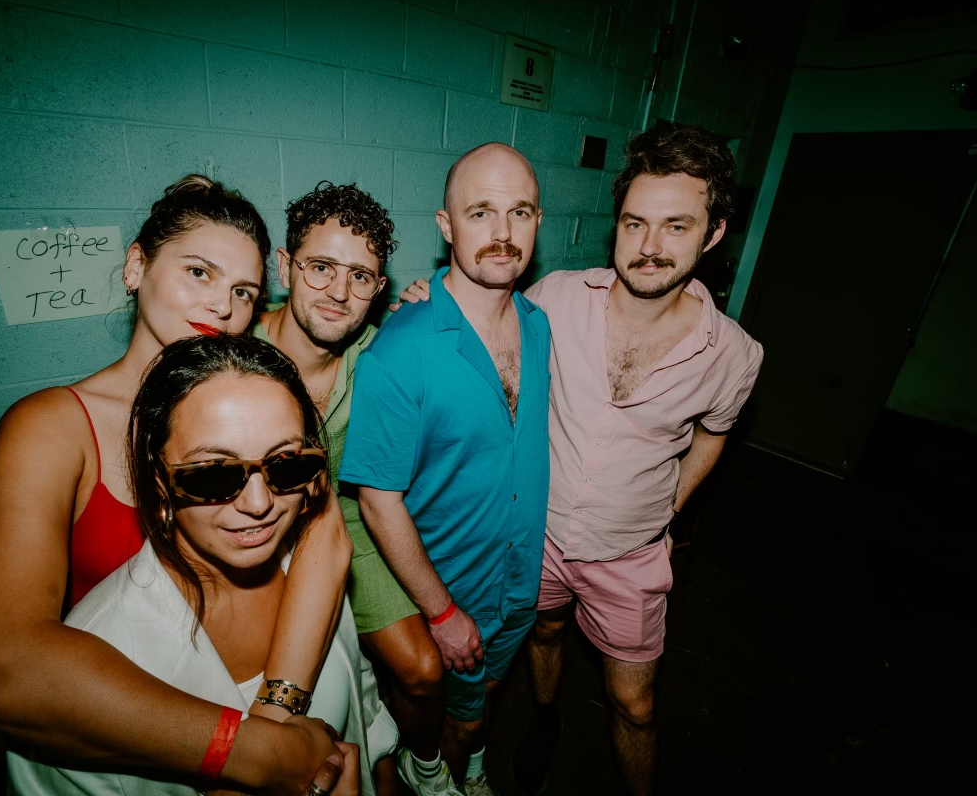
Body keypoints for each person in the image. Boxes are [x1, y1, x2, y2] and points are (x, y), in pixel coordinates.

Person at [396, 125, 764, 796]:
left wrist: (668, 509)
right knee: (543, 633)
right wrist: (424, 296)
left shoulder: (735, 355)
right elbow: (479, 315)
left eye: (676, 226)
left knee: (636, 705)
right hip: (532, 537)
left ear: (713, 234)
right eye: (635, 223)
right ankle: (544, 718)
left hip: (629, 554)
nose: (649, 247)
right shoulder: (554, 298)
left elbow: (713, 436)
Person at [0, 175, 356, 795]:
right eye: (199, 272)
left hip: (261, 669)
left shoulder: (255, 400)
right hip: (130, 709)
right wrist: (253, 753)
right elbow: (2, 666)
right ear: (135, 266)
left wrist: (275, 716)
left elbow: (326, 538)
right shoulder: (52, 427)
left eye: (244, 291)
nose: (223, 307)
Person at [9, 334, 399, 795]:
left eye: (287, 465)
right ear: (159, 480)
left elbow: (363, 702)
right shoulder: (95, 661)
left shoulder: (310, 567)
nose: (259, 504)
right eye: (215, 473)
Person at [341, 143, 553, 796]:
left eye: (520, 212)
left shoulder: (538, 324)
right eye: (480, 212)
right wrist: (440, 613)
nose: (502, 232)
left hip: (519, 582)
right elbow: (377, 500)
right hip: (453, 591)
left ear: (538, 222)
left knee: (481, 702)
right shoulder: (401, 349)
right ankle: (443, 772)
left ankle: (468, 757)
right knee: (459, 718)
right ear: (446, 225)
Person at [252, 182, 445, 795]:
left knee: (424, 670)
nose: (339, 292)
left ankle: (426, 766)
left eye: (360, 277)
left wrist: (425, 305)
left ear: (379, 287)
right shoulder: (235, 349)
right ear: (285, 265)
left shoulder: (381, 353)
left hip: (351, 522)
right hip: (252, 531)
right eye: (321, 267)